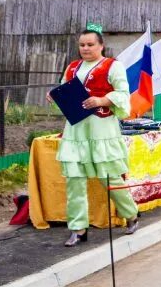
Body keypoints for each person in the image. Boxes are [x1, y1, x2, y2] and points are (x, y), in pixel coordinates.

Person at [50, 24, 141, 247]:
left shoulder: (113, 66)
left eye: (90, 44)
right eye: (82, 45)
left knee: (109, 177)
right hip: (76, 130)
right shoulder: (72, 68)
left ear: (101, 45)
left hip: (101, 128)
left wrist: (101, 100)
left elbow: (123, 94)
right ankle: (78, 228)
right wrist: (56, 98)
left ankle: (131, 214)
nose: (86, 48)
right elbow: (65, 93)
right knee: (75, 181)